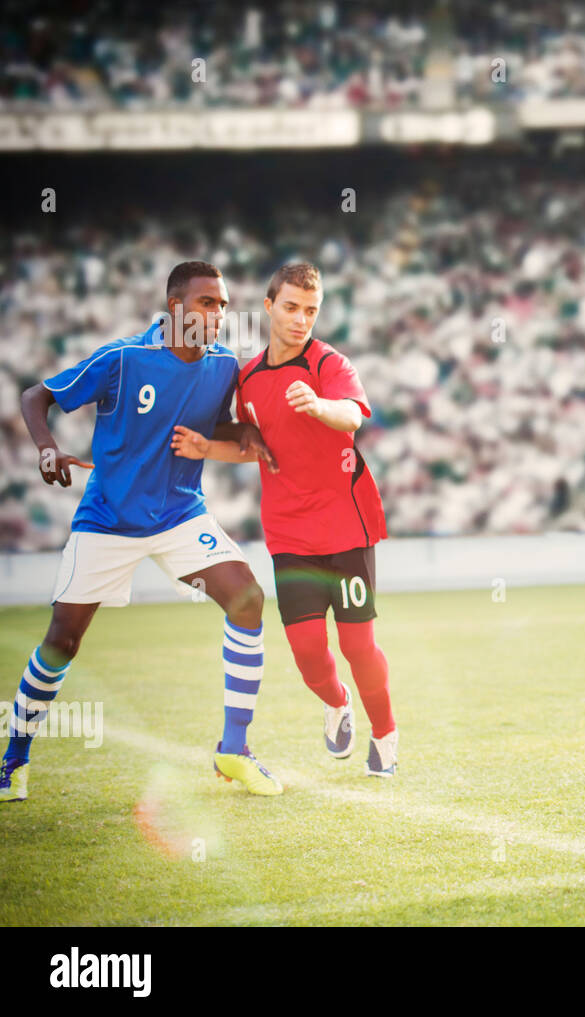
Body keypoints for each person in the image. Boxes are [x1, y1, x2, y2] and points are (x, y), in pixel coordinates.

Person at [1, 261, 283, 802]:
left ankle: (234, 750)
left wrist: (242, 428)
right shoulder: (123, 358)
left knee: (247, 600)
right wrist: (46, 446)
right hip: (108, 520)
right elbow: (36, 397)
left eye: (224, 304)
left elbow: (208, 423)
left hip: (180, 515)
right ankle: (14, 759)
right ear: (176, 308)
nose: (220, 314)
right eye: (208, 303)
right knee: (62, 641)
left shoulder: (224, 364)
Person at [172, 263, 396, 776]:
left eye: (311, 311)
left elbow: (354, 416)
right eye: (291, 308)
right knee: (308, 653)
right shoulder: (247, 379)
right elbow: (258, 448)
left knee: (358, 644)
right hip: (290, 533)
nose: (301, 320)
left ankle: (385, 734)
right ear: (269, 307)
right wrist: (209, 448)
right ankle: (337, 703)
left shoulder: (329, 365)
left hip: (346, 525)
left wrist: (319, 405)